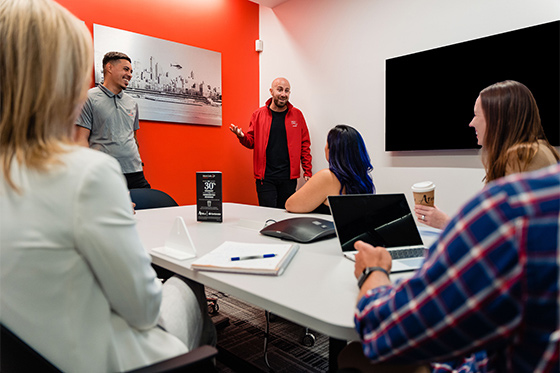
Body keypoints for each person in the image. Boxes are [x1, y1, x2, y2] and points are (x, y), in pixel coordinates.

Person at [0, 1, 214, 372]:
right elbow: (144, 310)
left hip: (37, 350)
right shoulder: (88, 175)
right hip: (110, 359)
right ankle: (199, 361)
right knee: (187, 278)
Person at [348, 164, 560, 372]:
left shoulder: (511, 210)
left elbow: (383, 332)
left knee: (352, 355)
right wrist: (447, 223)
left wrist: (373, 271)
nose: (471, 125)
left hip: (479, 360)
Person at [415, 80, 559, 229]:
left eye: (476, 115)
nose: (471, 123)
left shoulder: (523, 156)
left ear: (497, 119)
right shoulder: (537, 150)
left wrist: (447, 223)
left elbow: (499, 232)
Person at [230, 77, 312, 208]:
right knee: (268, 215)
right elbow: (251, 142)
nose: (283, 94)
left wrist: (308, 171)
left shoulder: (297, 115)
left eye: (287, 91)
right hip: (265, 178)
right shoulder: (258, 114)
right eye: (279, 90)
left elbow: (305, 145)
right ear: (271, 91)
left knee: (285, 217)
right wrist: (242, 136)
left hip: (288, 178)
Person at [75, 51, 151, 189]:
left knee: (149, 207)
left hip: (135, 171)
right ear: (109, 68)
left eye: (131, 71)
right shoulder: (88, 98)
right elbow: (81, 140)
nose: (130, 74)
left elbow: (134, 138)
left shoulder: (132, 102)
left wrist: (139, 160)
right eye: (126, 69)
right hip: (105, 173)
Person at [285, 124, 375, 214]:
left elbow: (290, 205)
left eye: (327, 143)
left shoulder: (327, 177)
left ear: (332, 149)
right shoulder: (363, 179)